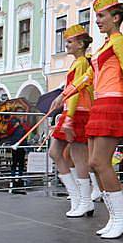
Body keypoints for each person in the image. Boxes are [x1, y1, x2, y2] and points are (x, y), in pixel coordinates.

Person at [52, 0, 123, 239]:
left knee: (101, 163)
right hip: (100, 105)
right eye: (96, 16)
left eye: (102, 15)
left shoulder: (121, 43)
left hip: (114, 103)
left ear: (116, 17)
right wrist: (65, 94)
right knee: (94, 164)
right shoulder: (104, 45)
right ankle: (116, 217)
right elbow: (89, 78)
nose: (98, 20)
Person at [49, 24, 96, 217]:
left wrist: (68, 116)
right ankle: (78, 198)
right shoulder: (78, 63)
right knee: (58, 153)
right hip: (74, 111)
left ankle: (83, 200)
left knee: (78, 158)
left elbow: (76, 92)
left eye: (70, 41)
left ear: (80, 44)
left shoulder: (82, 63)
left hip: (78, 112)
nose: (66, 44)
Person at [5, 118, 27, 189]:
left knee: (19, 162)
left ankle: (18, 175)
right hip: (17, 147)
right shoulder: (14, 129)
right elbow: (9, 134)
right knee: (16, 162)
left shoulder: (21, 129)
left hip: (20, 147)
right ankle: (14, 175)